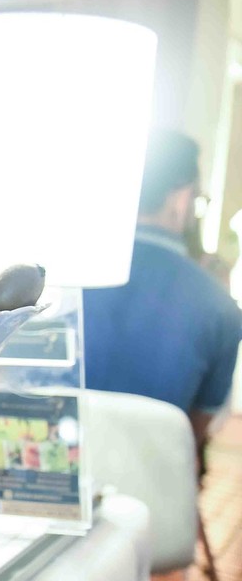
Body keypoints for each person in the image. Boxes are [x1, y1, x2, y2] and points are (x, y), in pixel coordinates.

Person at [83, 129, 242, 471]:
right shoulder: (219, 306)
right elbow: (195, 432)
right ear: (181, 197)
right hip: (158, 493)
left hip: (53, 483)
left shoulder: (61, 279)